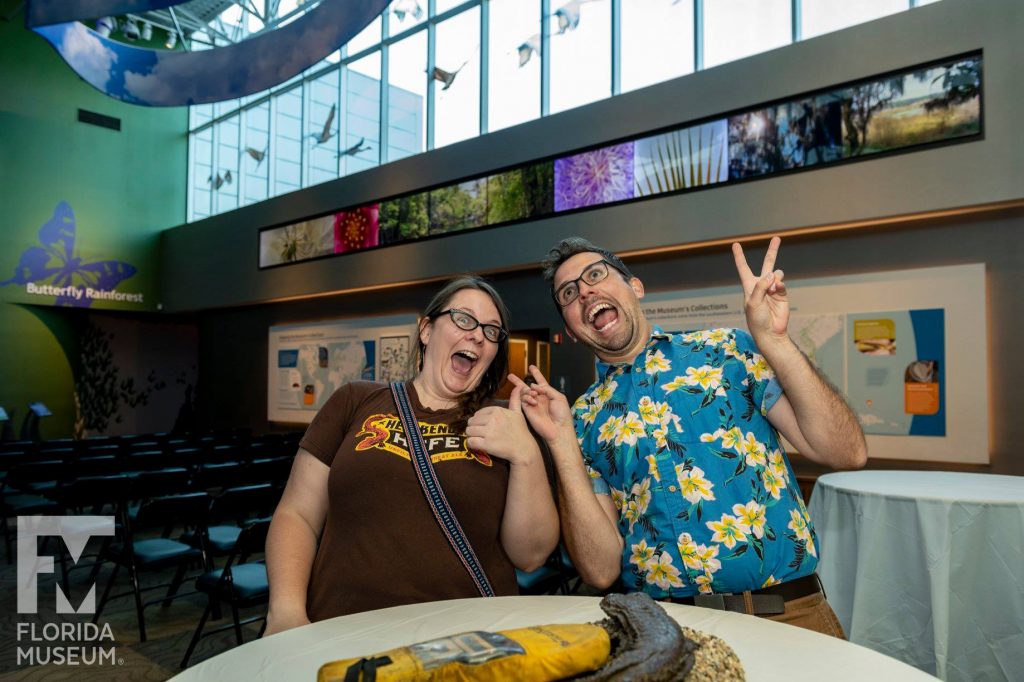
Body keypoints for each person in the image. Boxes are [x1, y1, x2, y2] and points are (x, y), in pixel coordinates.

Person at [512, 236, 866, 637]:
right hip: (670, 631)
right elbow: (600, 568)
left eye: (596, 274)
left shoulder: (729, 351)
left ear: (636, 287)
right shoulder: (581, 419)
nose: (586, 291)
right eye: (569, 293)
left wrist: (777, 342)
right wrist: (560, 443)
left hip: (790, 616)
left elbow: (845, 452)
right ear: (572, 329)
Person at [264, 276, 560, 635]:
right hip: (343, 632)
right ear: (426, 330)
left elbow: (530, 556)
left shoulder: (507, 422)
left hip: (470, 640)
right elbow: (297, 514)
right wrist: (286, 611)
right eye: (464, 319)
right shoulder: (355, 400)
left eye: (492, 330)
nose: (478, 335)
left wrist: (526, 452)